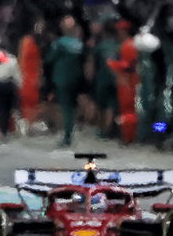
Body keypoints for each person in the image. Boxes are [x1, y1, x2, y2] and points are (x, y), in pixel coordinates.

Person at [45, 16, 85, 148]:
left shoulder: (59, 43)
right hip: (76, 79)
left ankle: (67, 137)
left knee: (66, 108)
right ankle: (70, 133)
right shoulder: (79, 44)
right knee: (72, 108)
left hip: (62, 79)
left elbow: (49, 59)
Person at [107, 19, 139, 145]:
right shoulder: (131, 44)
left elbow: (128, 67)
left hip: (128, 83)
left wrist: (112, 64)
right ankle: (128, 136)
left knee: (128, 111)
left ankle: (128, 138)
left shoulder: (128, 45)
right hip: (129, 82)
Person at [91, 19, 121, 140]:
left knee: (103, 107)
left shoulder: (100, 46)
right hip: (117, 80)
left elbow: (91, 66)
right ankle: (113, 130)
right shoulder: (119, 45)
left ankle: (104, 131)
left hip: (103, 80)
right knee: (113, 106)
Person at [17, 21, 44, 134]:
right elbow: (22, 59)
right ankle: (26, 123)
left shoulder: (33, 41)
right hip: (27, 75)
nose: (40, 29)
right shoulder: (28, 41)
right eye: (38, 26)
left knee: (32, 101)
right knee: (28, 100)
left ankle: (28, 123)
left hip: (33, 75)